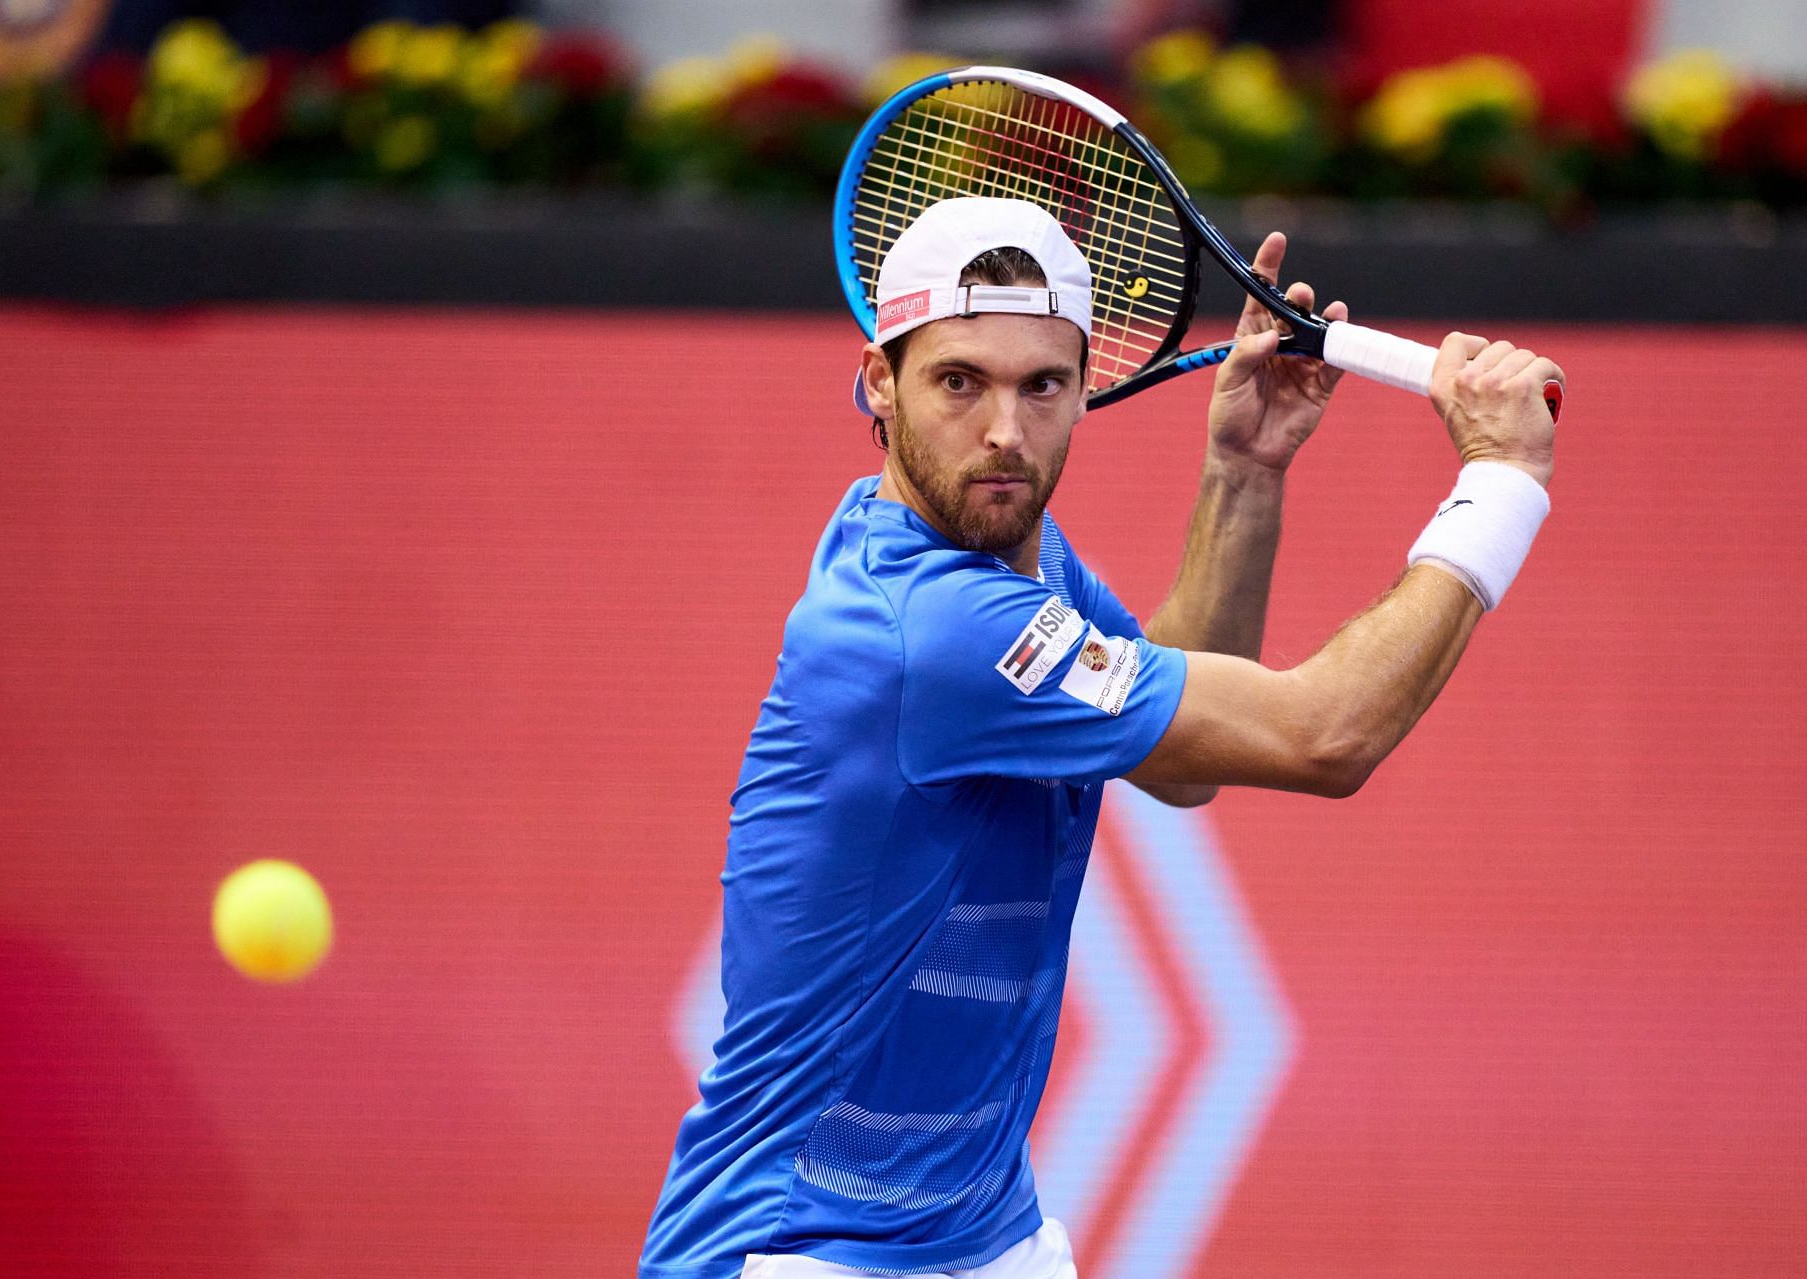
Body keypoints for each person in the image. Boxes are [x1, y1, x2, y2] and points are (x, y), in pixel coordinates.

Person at [639, 197, 1561, 1279]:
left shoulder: (1002, 556)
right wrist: (1501, 481)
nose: (1003, 430)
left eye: (1042, 385)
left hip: (989, 1237)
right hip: (791, 1253)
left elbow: (1176, 770)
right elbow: (1328, 736)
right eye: (958, 380)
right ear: (877, 382)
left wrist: (1244, 471)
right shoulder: (931, 630)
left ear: (1087, 386)